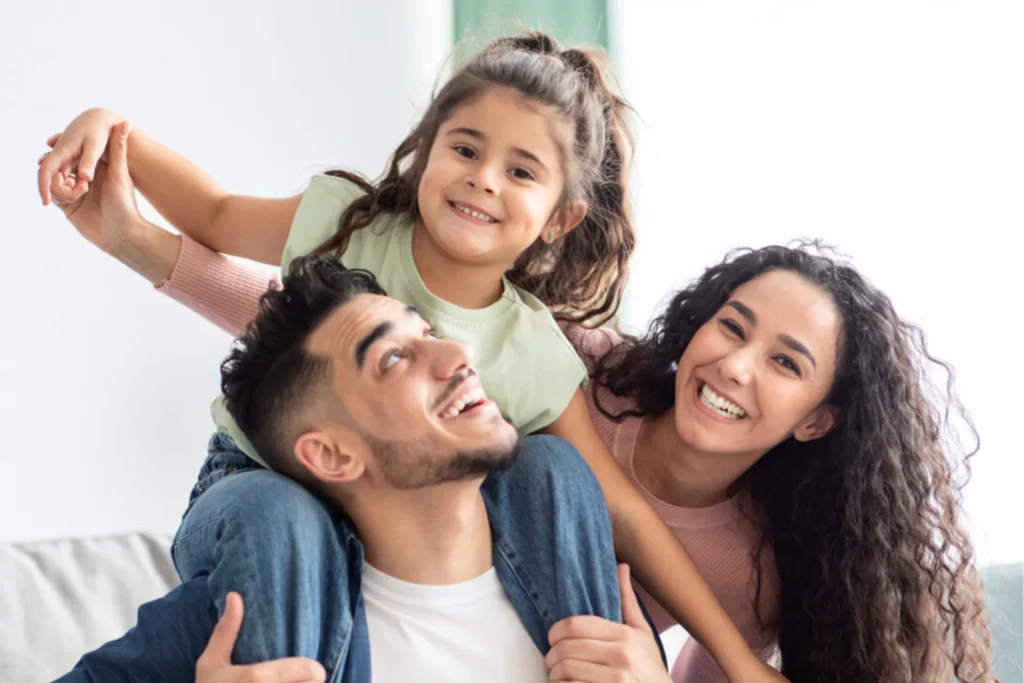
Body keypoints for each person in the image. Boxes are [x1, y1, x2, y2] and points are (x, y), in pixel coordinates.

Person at [40, 31, 782, 682]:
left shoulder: (534, 355)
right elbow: (215, 216)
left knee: (555, 471)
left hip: (416, 528)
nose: (483, 178)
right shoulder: (350, 223)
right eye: (465, 148)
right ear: (426, 150)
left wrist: (741, 661)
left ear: (562, 217)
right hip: (254, 479)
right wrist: (112, 135)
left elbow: (619, 507)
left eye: (520, 171)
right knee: (281, 515)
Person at [60, 252, 670, 683]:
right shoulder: (252, 614)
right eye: (394, 358)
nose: (458, 353)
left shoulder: (584, 587)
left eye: (427, 332)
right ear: (331, 454)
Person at [570, 244, 996, 682]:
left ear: (815, 422)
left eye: (785, 363)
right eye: (733, 327)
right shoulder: (578, 363)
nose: (735, 367)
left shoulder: (756, 576)